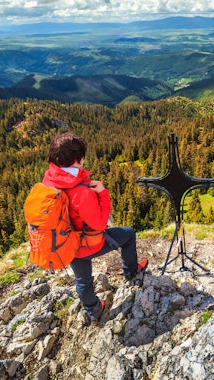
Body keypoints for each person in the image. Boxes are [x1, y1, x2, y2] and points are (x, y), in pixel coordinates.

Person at [41, 132, 148, 323]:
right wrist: (103, 194)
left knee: (83, 279)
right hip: (86, 244)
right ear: (78, 160)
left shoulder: (50, 180)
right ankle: (131, 271)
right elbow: (99, 224)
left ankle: (94, 311)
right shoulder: (81, 192)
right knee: (129, 234)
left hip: (65, 243)